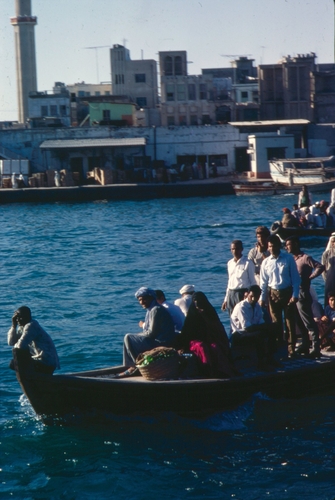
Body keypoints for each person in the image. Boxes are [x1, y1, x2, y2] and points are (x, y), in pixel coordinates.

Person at [176, 291, 238, 378]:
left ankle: (222, 371)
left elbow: (218, 329)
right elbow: (186, 333)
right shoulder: (192, 315)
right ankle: (207, 370)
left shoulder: (210, 313)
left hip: (210, 339)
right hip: (194, 341)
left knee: (216, 347)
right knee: (202, 347)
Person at [260, 234, 301, 358]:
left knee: (289, 321)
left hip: (287, 292)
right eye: (269, 246)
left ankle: (291, 348)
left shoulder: (288, 259)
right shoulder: (266, 262)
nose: (271, 249)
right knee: (276, 323)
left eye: (273, 246)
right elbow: (263, 282)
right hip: (273, 294)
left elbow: (295, 278)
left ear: (278, 246)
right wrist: (262, 298)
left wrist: (295, 295)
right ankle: (279, 348)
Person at [285, 236, 324, 358]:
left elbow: (320, 266)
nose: (286, 247)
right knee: (298, 320)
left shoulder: (305, 258)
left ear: (296, 244)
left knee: (308, 321)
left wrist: (310, 277)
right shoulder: (291, 259)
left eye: (289, 245)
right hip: (292, 293)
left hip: (302, 292)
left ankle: (316, 347)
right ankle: (305, 345)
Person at [123, 287, 177, 367]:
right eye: (139, 300)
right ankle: (134, 364)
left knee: (128, 337)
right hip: (161, 340)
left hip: (161, 342)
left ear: (151, 298)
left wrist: (138, 336)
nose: (141, 302)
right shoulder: (153, 309)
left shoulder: (156, 310)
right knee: (132, 338)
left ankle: (135, 366)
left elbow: (151, 333)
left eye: (144, 299)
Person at [230, 285, 277, 370]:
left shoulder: (257, 306)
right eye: (251, 296)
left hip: (251, 331)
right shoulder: (241, 307)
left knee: (273, 331)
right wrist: (263, 327)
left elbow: (261, 322)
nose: (253, 299)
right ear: (247, 294)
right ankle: (261, 364)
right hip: (239, 335)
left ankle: (270, 358)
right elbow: (247, 328)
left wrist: (267, 327)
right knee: (259, 336)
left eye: (256, 297)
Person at [7, 306, 60, 374]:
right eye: (16, 318)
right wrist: (14, 326)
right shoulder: (22, 327)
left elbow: (20, 346)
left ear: (28, 317)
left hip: (46, 362)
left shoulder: (31, 325)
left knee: (14, 363)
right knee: (13, 363)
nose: (18, 320)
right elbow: (11, 342)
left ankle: (35, 379)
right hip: (39, 360)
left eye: (20, 317)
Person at [222, 240, 256, 316]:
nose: (234, 251)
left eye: (237, 249)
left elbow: (252, 281)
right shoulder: (230, 263)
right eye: (232, 249)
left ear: (241, 249)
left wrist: (251, 295)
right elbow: (229, 282)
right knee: (232, 318)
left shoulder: (248, 263)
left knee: (243, 316)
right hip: (231, 294)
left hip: (242, 293)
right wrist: (226, 299)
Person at [322, 234, 335, 308]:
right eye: (332, 241)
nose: (334, 243)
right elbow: (323, 270)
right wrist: (327, 280)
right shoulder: (326, 254)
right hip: (330, 282)